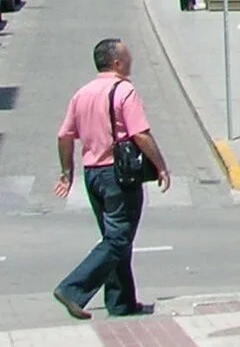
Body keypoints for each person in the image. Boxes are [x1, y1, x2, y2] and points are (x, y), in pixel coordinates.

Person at [53, 38, 171, 320]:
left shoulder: (82, 93)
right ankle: (73, 288)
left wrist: (66, 172)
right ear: (116, 63)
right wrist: (161, 167)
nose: (132, 60)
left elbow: (64, 136)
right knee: (118, 238)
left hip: (92, 174)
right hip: (118, 175)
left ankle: (122, 303)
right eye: (127, 56)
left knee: (114, 238)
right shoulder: (124, 91)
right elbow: (140, 133)